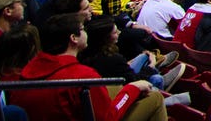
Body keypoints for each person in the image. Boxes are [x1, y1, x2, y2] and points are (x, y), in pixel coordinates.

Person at [11, 14, 159, 121]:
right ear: (73, 38)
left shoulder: (28, 69)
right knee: (154, 97)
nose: (86, 33)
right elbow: (108, 118)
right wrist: (132, 89)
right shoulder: (83, 75)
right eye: (82, 29)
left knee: (114, 87)